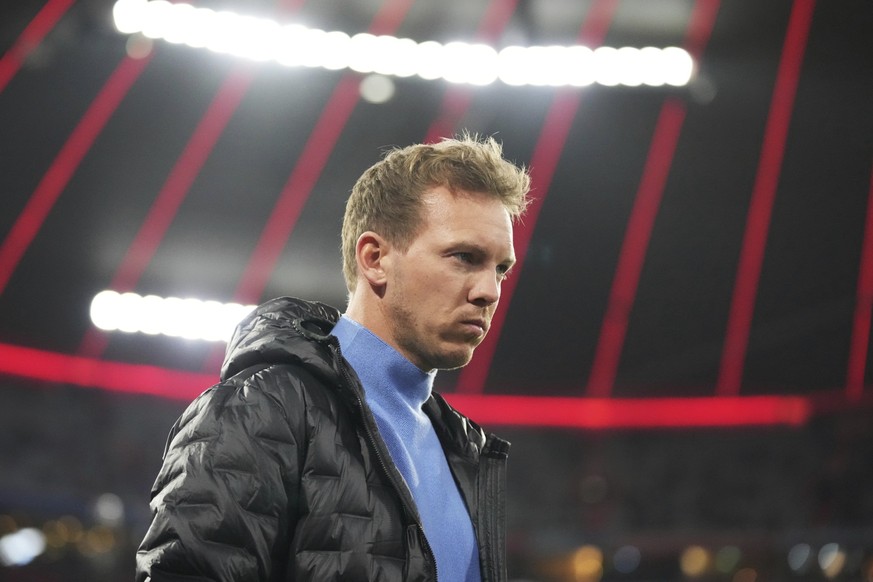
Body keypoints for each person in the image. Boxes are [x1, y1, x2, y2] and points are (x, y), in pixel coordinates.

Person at [135, 134, 531, 582]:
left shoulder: (464, 450)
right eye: (464, 257)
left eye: (500, 268)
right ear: (375, 258)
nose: (489, 291)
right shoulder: (263, 409)